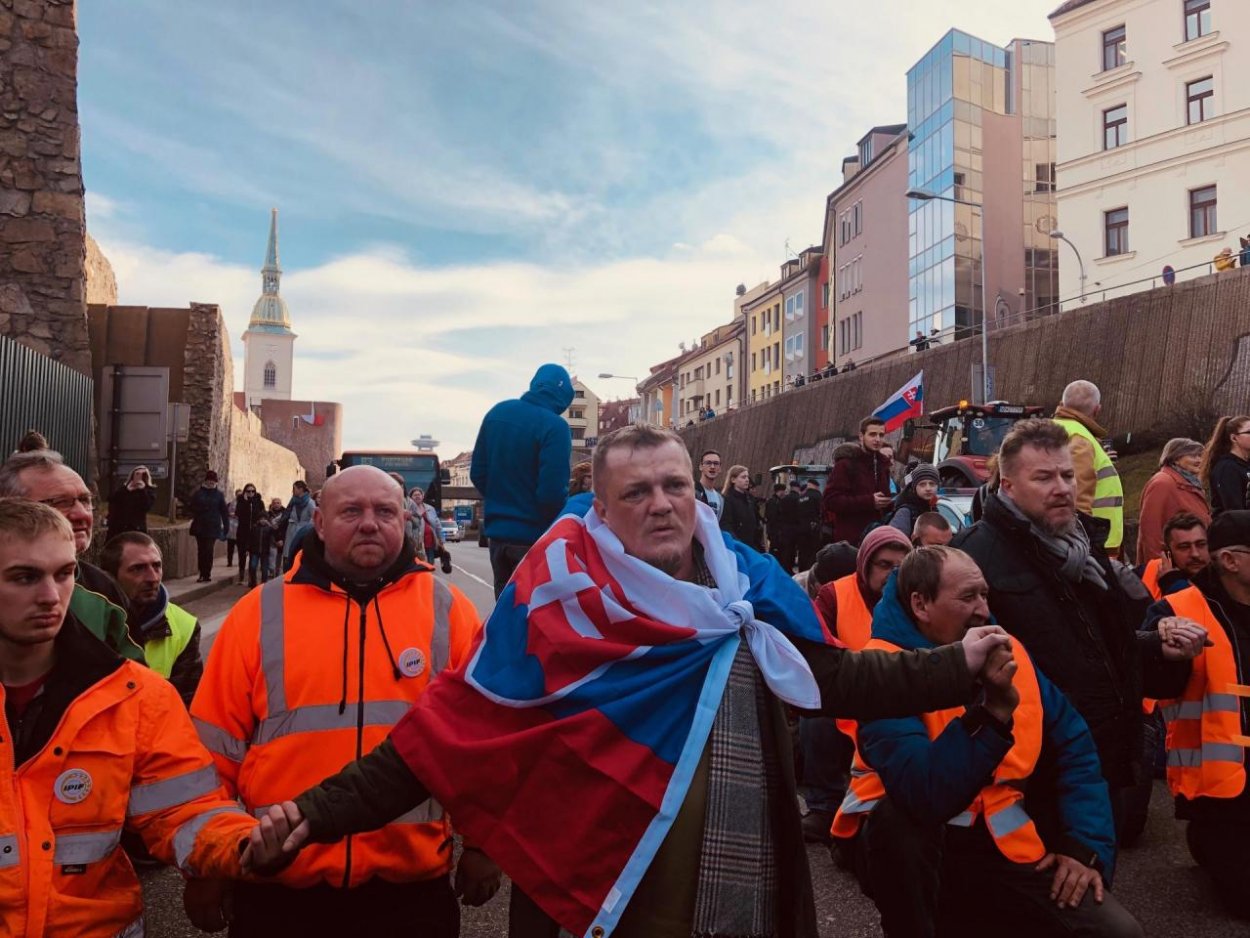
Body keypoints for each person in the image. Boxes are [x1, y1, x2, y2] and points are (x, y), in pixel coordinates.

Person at [274, 424, 1014, 938]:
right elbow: (452, 730)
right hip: (606, 885)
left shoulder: (745, 588)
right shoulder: (558, 601)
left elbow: (839, 680)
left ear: (699, 493)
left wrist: (958, 666)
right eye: (637, 493)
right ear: (599, 508)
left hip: (741, 869)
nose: (661, 504)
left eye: (675, 486)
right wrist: (318, 813)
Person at [189, 466, 494, 937]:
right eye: (351, 511)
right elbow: (210, 752)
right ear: (321, 523)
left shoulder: (448, 610)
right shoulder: (258, 613)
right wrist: (209, 863)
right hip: (279, 885)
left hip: (410, 891)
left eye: (385, 511)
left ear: (406, 522)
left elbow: (479, 745)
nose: (370, 523)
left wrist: (481, 846)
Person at [0, 499, 294, 938]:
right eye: (25, 577)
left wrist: (242, 844)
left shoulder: (135, 695)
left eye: (64, 574)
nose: (50, 596)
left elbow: (183, 810)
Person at [833, 547, 1143, 938]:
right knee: (899, 823)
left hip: (1005, 850)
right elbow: (923, 794)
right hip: (917, 854)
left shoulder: (1012, 652)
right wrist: (993, 715)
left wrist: (1084, 848)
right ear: (920, 604)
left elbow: (1076, 749)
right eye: (967, 597)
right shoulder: (882, 667)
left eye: (985, 595)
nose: (983, 610)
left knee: (1119, 931)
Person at [953, 418, 1204, 813]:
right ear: (1008, 486)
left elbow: (1096, 648)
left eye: (1067, 475)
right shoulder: (974, 556)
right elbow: (963, 676)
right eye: (1044, 478)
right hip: (1031, 774)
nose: (1062, 488)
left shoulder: (1084, 547)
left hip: (1100, 761)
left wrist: (1158, 648)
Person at [1143, 510, 1250, 919]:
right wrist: (1164, 649)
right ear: (1231, 561)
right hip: (1220, 786)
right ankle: (1208, 838)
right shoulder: (1178, 610)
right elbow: (1152, 685)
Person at [0, 449, 140, 661]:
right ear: (11, 508)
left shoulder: (103, 590)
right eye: (59, 502)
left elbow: (135, 678)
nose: (82, 514)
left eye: (85, 500)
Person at [471, 364, 575, 598]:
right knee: (534, 616)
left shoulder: (498, 413)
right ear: (563, 397)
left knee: (504, 610)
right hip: (533, 539)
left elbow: (477, 472)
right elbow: (552, 493)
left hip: (497, 536)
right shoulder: (555, 427)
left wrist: (501, 501)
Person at [99, 532, 204, 705]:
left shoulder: (184, 626)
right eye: (138, 568)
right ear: (109, 576)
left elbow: (187, 705)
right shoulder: (87, 618)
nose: (153, 578)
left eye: (156, 566)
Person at [1052, 380, 1125, 555]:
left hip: (1090, 541)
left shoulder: (1055, 428)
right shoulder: (1081, 439)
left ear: (1062, 404)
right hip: (1094, 544)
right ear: (1096, 410)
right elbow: (1076, 498)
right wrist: (1079, 546)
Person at [814, 525, 912, 651]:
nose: (893, 574)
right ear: (865, 565)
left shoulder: (917, 600)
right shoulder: (833, 597)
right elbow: (818, 654)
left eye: (900, 567)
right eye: (884, 565)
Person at [1137, 438, 1210, 562]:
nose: (1199, 460)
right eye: (1193, 456)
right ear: (1175, 458)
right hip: (1173, 565)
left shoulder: (1189, 483)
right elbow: (1150, 530)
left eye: (1200, 456)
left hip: (1191, 560)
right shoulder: (1163, 483)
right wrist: (1159, 565)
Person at [825, 417, 892, 545]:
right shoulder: (845, 465)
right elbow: (831, 501)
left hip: (877, 538)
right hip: (852, 541)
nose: (877, 439)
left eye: (881, 435)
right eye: (872, 434)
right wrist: (869, 501)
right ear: (861, 436)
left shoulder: (883, 465)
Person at [1139, 511, 1209, 600]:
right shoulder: (1147, 573)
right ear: (1168, 552)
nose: (1195, 554)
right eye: (1184, 547)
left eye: (1201, 544)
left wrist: (1171, 582)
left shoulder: (1224, 578)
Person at [1202, 414, 1250, 515]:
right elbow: (1234, 510)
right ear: (1234, 438)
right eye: (1249, 432)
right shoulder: (1227, 468)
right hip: (1232, 527)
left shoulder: (1245, 465)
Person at [189, 470, 229, 583]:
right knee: (201, 551)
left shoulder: (219, 495)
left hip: (213, 527)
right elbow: (192, 507)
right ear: (206, 481)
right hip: (200, 526)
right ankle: (202, 573)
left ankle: (207, 573)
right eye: (209, 480)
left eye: (213, 481)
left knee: (209, 550)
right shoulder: (198, 493)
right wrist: (201, 510)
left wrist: (226, 527)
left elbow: (224, 512)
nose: (211, 483)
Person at [888, 463, 940, 536]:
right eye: (922, 484)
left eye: (932, 484)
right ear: (914, 488)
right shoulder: (906, 511)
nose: (928, 488)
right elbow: (894, 539)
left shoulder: (933, 507)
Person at [718, 464, 762, 549]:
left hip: (751, 546)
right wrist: (738, 544)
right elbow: (726, 525)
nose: (747, 480)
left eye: (747, 477)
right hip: (737, 547)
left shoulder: (750, 499)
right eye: (743, 477)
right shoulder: (727, 499)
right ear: (733, 479)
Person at [106, 465, 155, 539]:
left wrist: (142, 490)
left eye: (143, 474)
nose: (140, 476)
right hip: (119, 528)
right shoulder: (124, 489)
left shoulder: (149, 491)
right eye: (137, 474)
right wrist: (127, 490)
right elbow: (113, 499)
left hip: (137, 528)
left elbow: (147, 505)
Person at [234, 482, 267, 587]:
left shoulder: (259, 502)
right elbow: (238, 513)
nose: (251, 493)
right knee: (242, 554)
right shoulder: (241, 502)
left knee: (253, 555)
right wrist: (246, 502)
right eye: (248, 491)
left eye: (253, 491)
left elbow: (263, 515)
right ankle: (241, 575)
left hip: (255, 533)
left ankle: (251, 579)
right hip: (243, 532)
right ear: (245, 492)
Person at [279, 480, 315, 573]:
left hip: (303, 534)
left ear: (301, 489)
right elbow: (286, 513)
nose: (293, 491)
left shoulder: (310, 503)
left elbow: (314, 517)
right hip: (291, 531)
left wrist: (306, 528)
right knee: (287, 557)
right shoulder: (293, 501)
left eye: (294, 488)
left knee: (299, 555)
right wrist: (276, 521)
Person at [410, 486, 444, 566]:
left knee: (430, 563)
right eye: (415, 495)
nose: (417, 496)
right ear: (411, 497)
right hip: (416, 542)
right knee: (417, 563)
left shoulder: (430, 508)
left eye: (419, 494)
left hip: (430, 541)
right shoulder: (408, 509)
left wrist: (441, 539)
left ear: (423, 496)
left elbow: (438, 525)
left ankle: (429, 576)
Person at [796, 478, 823, 571]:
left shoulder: (801, 498)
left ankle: (801, 571)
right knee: (813, 552)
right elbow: (822, 511)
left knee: (803, 552)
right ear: (816, 486)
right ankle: (811, 571)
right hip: (814, 529)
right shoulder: (817, 495)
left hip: (801, 529)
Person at [694, 449, 724, 519]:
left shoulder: (720, 499)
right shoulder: (693, 491)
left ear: (720, 468)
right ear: (701, 467)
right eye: (708, 463)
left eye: (716, 463)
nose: (712, 467)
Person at [764, 482, 786, 560]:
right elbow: (772, 517)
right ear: (779, 491)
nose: (784, 493)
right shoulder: (774, 502)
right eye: (783, 491)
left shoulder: (776, 501)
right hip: (775, 530)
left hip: (775, 530)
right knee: (774, 548)